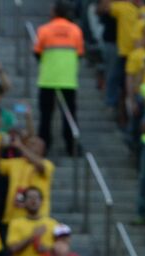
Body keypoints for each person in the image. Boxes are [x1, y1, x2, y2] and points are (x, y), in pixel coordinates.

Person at [34, 1, 84, 157]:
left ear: (54, 12)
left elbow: (37, 52)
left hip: (48, 79)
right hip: (68, 80)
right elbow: (80, 53)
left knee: (46, 116)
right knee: (69, 116)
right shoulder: (76, 30)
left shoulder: (44, 30)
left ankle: (43, 147)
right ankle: (72, 147)